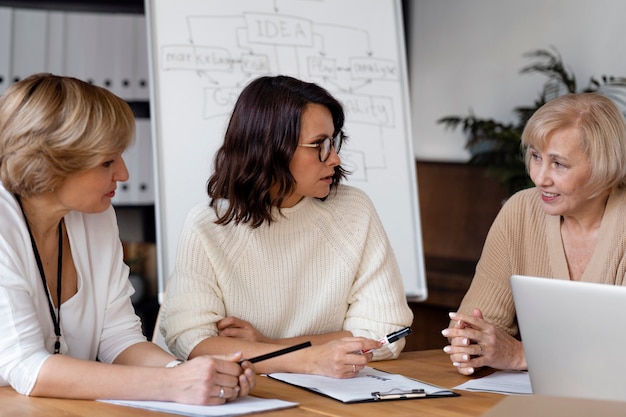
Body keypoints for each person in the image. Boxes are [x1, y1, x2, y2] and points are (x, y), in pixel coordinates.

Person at [0, 73, 255, 403]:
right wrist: (175, 385)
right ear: (49, 165)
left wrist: (190, 372)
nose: (123, 174)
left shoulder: (96, 215)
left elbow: (119, 338)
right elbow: (25, 366)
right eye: (107, 161)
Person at [158, 75, 413, 378]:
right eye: (319, 145)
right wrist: (309, 358)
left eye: (334, 141)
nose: (334, 158)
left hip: (323, 397)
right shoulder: (209, 226)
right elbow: (193, 343)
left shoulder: (353, 210)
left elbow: (385, 335)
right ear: (270, 149)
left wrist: (271, 345)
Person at [441, 92, 626, 375]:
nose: (539, 178)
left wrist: (522, 355)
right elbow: (476, 321)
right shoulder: (520, 211)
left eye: (559, 164)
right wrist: (471, 343)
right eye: (536, 157)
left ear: (604, 168)